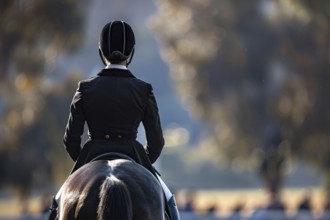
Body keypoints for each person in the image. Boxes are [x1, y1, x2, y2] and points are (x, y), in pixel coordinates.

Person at [49, 20, 179, 220]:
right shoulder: (143, 90)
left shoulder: (85, 88)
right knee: (169, 202)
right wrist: (141, 162)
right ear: (131, 52)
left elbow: (71, 140)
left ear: (101, 52)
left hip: (92, 153)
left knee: (57, 204)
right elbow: (156, 142)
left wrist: (86, 163)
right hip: (133, 153)